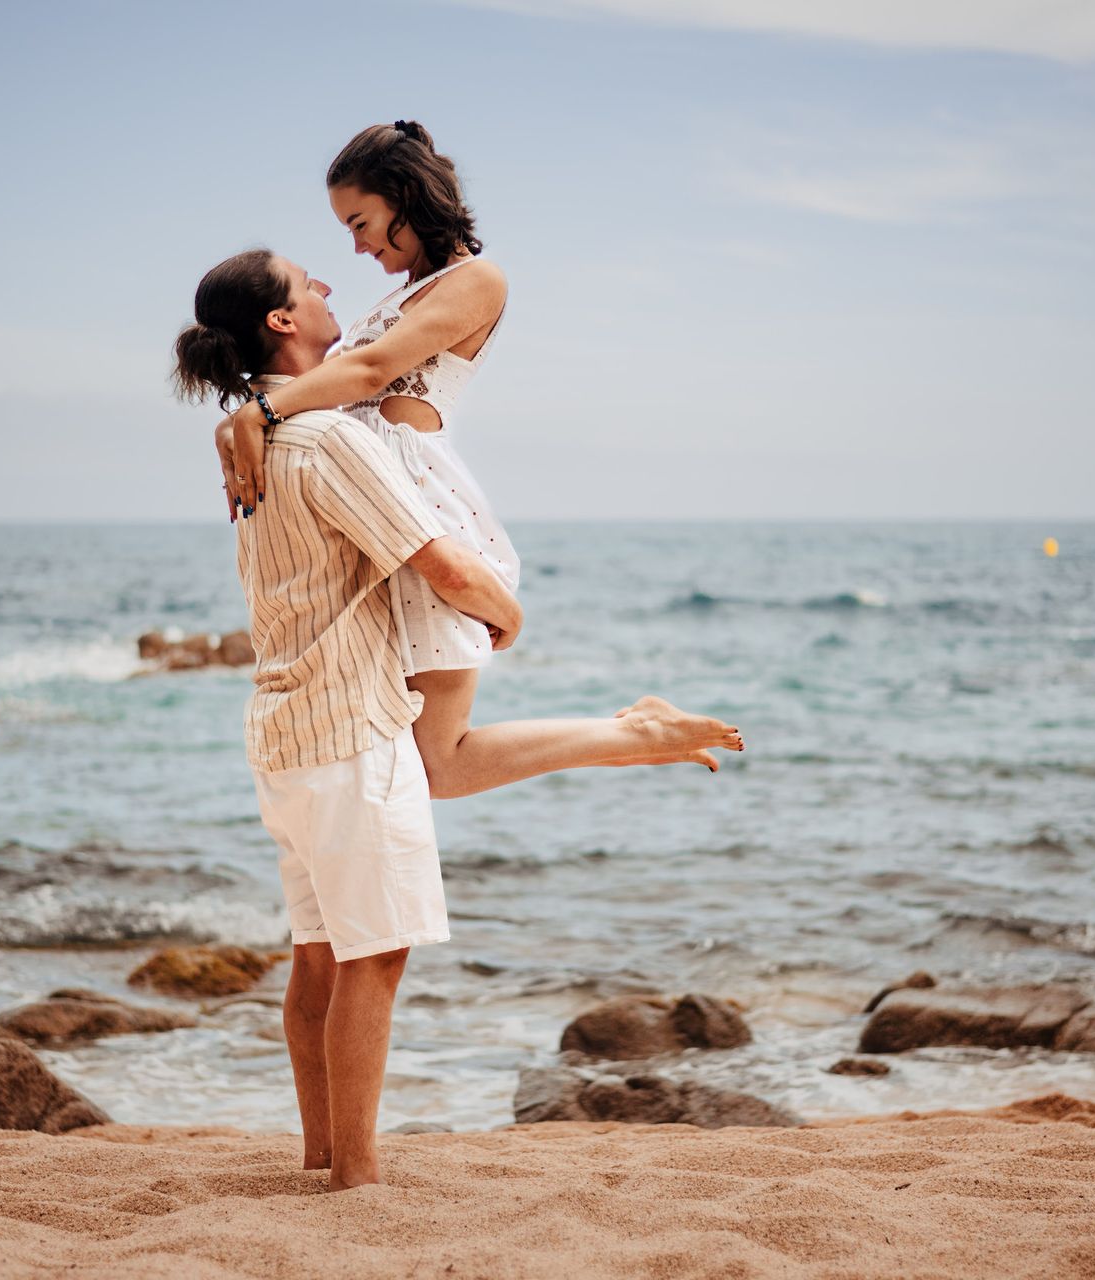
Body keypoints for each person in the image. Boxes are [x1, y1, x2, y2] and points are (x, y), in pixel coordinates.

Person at [173, 248, 739, 1189]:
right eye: (308, 282)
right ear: (281, 322)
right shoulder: (326, 439)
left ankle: (322, 1157)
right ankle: (355, 1178)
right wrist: (507, 613)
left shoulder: (256, 443)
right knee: (374, 959)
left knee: (318, 958)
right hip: (351, 733)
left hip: (283, 735)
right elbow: (440, 563)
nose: (328, 287)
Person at [214, 120, 742, 798]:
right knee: (421, 754)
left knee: (441, 761)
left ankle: (640, 734)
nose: (358, 245)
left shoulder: (477, 280)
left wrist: (256, 413)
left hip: (419, 500)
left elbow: (371, 370)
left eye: (361, 223)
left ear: (406, 197)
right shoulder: (404, 293)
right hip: (378, 507)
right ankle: (638, 735)